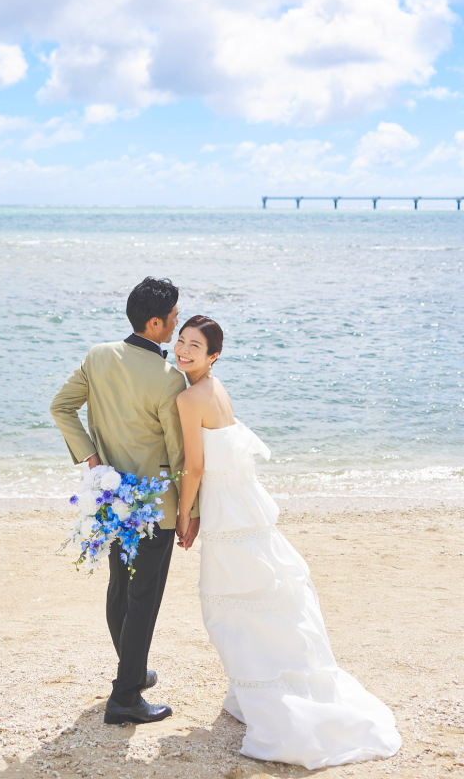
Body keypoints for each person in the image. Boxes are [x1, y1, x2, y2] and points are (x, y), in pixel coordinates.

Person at [173, 314, 402, 770]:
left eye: (194, 346)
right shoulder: (217, 389)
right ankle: (256, 686)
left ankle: (269, 696)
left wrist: (183, 516)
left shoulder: (188, 397)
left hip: (226, 511)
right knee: (260, 595)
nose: (182, 350)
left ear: (213, 355)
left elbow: (195, 468)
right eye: (180, 341)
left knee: (230, 601)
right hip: (242, 504)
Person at [50, 277, 199, 726]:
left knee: (120, 587)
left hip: (110, 496)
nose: (176, 323)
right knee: (144, 599)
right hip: (155, 506)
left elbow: (61, 407)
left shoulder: (97, 356)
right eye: (173, 317)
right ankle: (125, 697)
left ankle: (130, 671)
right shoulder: (169, 379)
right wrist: (190, 512)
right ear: (154, 323)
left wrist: (93, 461)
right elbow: (178, 455)